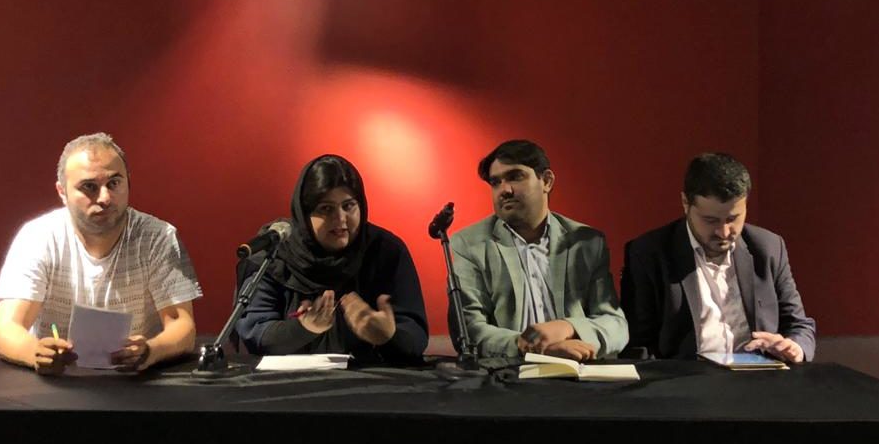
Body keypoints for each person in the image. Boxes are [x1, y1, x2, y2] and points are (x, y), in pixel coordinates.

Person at [0, 133, 202, 375]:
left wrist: (150, 351)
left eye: (114, 183)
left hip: (135, 382)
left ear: (128, 182)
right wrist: (35, 353)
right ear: (62, 192)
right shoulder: (38, 237)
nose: (105, 198)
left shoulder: (158, 237)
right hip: (56, 383)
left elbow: (182, 325)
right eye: (89, 187)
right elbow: (7, 328)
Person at [621, 152, 816, 362]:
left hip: (760, 374)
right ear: (685, 203)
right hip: (686, 377)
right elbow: (639, 346)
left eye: (733, 219)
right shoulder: (649, 253)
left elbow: (799, 325)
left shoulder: (768, 248)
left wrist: (795, 347)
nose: (723, 232)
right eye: (710, 220)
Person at [235, 154, 428, 364]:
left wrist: (388, 337)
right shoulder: (276, 254)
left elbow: (415, 337)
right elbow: (256, 334)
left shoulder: (385, 251)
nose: (340, 219)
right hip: (289, 381)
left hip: (368, 379)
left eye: (349, 206)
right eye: (326, 209)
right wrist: (303, 328)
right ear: (305, 213)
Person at [450, 140, 628, 361]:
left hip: (579, 370)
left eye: (515, 177)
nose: (504, 190)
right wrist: (531, 347)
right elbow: (468, 329)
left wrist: (567, 327)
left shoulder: (586, 243)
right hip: (509, 372)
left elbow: (615, 324)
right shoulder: (469, 244)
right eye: (496, 182)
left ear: (547, 181)